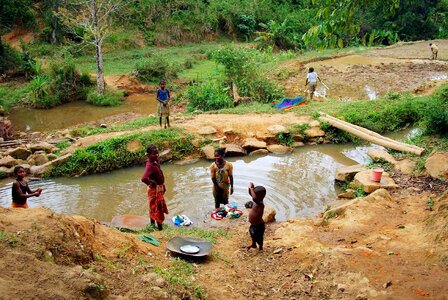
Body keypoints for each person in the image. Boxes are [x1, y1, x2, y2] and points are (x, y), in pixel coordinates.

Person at [141, 144, 168, 230]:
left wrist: (163, 185)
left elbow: (159, 173)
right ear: (148, 155)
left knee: (153, 207)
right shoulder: (150, 165)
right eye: (154, 154)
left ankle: (152, 225)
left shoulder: (156, 161)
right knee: (157, 208)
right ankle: (160, 229)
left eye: (157, 153)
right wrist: (151, 183)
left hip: (158, 188)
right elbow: (144, 178)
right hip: (154, 190)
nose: (156, 155)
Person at [246, 182, 266, 251]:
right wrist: (250, 188)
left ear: (260, 196)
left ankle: (260, 247)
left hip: (259, 226)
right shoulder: (256, 201)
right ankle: (253, 244)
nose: (252, 195)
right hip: (253, 225)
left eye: (254, 193)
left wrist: (251, 189)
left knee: (259, 237)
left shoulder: (261, 204)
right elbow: (252, 195)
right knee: (252, 234)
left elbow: (254, 198)